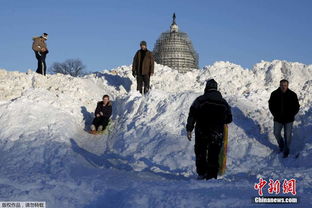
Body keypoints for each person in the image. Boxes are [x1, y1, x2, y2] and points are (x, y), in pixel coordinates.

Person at [186, 79, 232, 180]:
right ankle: (212, 175)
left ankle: (202, 173)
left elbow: (192, 115)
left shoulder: (200, 100)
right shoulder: (223, 103)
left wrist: (189, 129)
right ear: (216, 89)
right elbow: (229, 119)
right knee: (214, 153)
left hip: (202, 130)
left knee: (201, 151)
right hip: (217, 131)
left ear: (206, 88)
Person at [269, 79, 300, 158]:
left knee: (288, 135)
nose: (283, 87)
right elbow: (271, 105)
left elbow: (297, 106)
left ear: (287, 86)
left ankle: (286, 150)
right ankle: (282, 145)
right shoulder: (274, 94)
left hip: (288, 119)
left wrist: (292, 114)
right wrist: (275, 114)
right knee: (276, 133)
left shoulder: (292, 94)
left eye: (285, 85)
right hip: (278, 119)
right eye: (282, 85)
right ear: (280, 85)